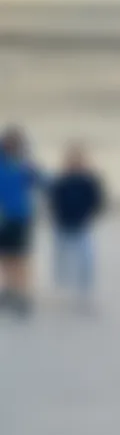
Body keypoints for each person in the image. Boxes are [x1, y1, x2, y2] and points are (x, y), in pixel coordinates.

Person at [48, 143, 105, 301]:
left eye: (77, 160)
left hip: (81, 225)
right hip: (62, 225)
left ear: (82, 161)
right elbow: (53, 201)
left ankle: (85, 290)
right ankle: (61, 287)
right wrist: (56, 217)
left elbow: (97, 200)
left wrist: (88, 215)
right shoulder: (61, 180)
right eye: (71, 160)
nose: (74, 163)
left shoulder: (89, 180)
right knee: (61, 258)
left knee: (86, 259)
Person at [0, 128, 38, 314]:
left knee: (20, 259)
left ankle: (23, 295)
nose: (9, 146)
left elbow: (40, 181)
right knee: (5, 258)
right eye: (7, 142)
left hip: (19, 218)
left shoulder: (24, 165)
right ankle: (9, 291)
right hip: (1, 220)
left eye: (13, 143)